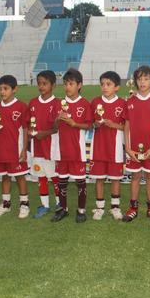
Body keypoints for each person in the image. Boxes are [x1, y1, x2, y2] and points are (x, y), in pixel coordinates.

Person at [123, 66, 150, 222]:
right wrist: (127, 148)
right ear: (135, 81)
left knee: (149, 177)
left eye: (146, 79)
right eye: (139, 79)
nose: (142, 82)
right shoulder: (130, 101)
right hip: (133, 148)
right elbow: (126, 126)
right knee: (135, 177)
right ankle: (133, 207)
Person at [51, 68, 93, 223]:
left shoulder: (85, 104)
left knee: (80, 182)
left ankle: (81, 210)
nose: (67, 87)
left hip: (77, 151)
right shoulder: (58, 104)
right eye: (65, 84)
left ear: (79, 85)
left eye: (71, 84)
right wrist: (57, 120)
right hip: (60, 151)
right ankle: (63, 209)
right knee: (62, 181)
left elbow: (89, 126)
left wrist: (74, 123)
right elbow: (54, 128)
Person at [0, 75, 30, 219]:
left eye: (5, 88)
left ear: (14, 89)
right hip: (1, 150)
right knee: (5, 177)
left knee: (20, 177)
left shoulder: (21, 106)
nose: (2, 92)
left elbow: (25, 129)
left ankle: (24, 204)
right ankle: (6, 204)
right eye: (0, 89)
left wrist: (24, 149)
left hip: (16, 150)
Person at [90, 71, 127, 221]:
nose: (104, 87)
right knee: (99, 178)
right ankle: (99, 208)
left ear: (117, 87)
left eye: (108, 84)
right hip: (98, 147)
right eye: (102, 84)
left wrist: (114, 125)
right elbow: (89, 124)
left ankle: (115, 207)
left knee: (115, 179)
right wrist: (96, 124)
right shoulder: (95, 102)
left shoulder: (122, 104)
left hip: (115, 148)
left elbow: (127, 127)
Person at [28, 70, 61, 219]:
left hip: (52, 148)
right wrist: (30, 132)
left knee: (54, 177)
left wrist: (44, 133)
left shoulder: (58, 103)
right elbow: (30, 124)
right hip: (37, 147)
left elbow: (57, 128)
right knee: (41, 176)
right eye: (39, 83)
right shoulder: (33, 102)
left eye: (45, 83)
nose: (41, 86)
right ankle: (45, 205)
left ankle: (60, 203)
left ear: (53, 85)